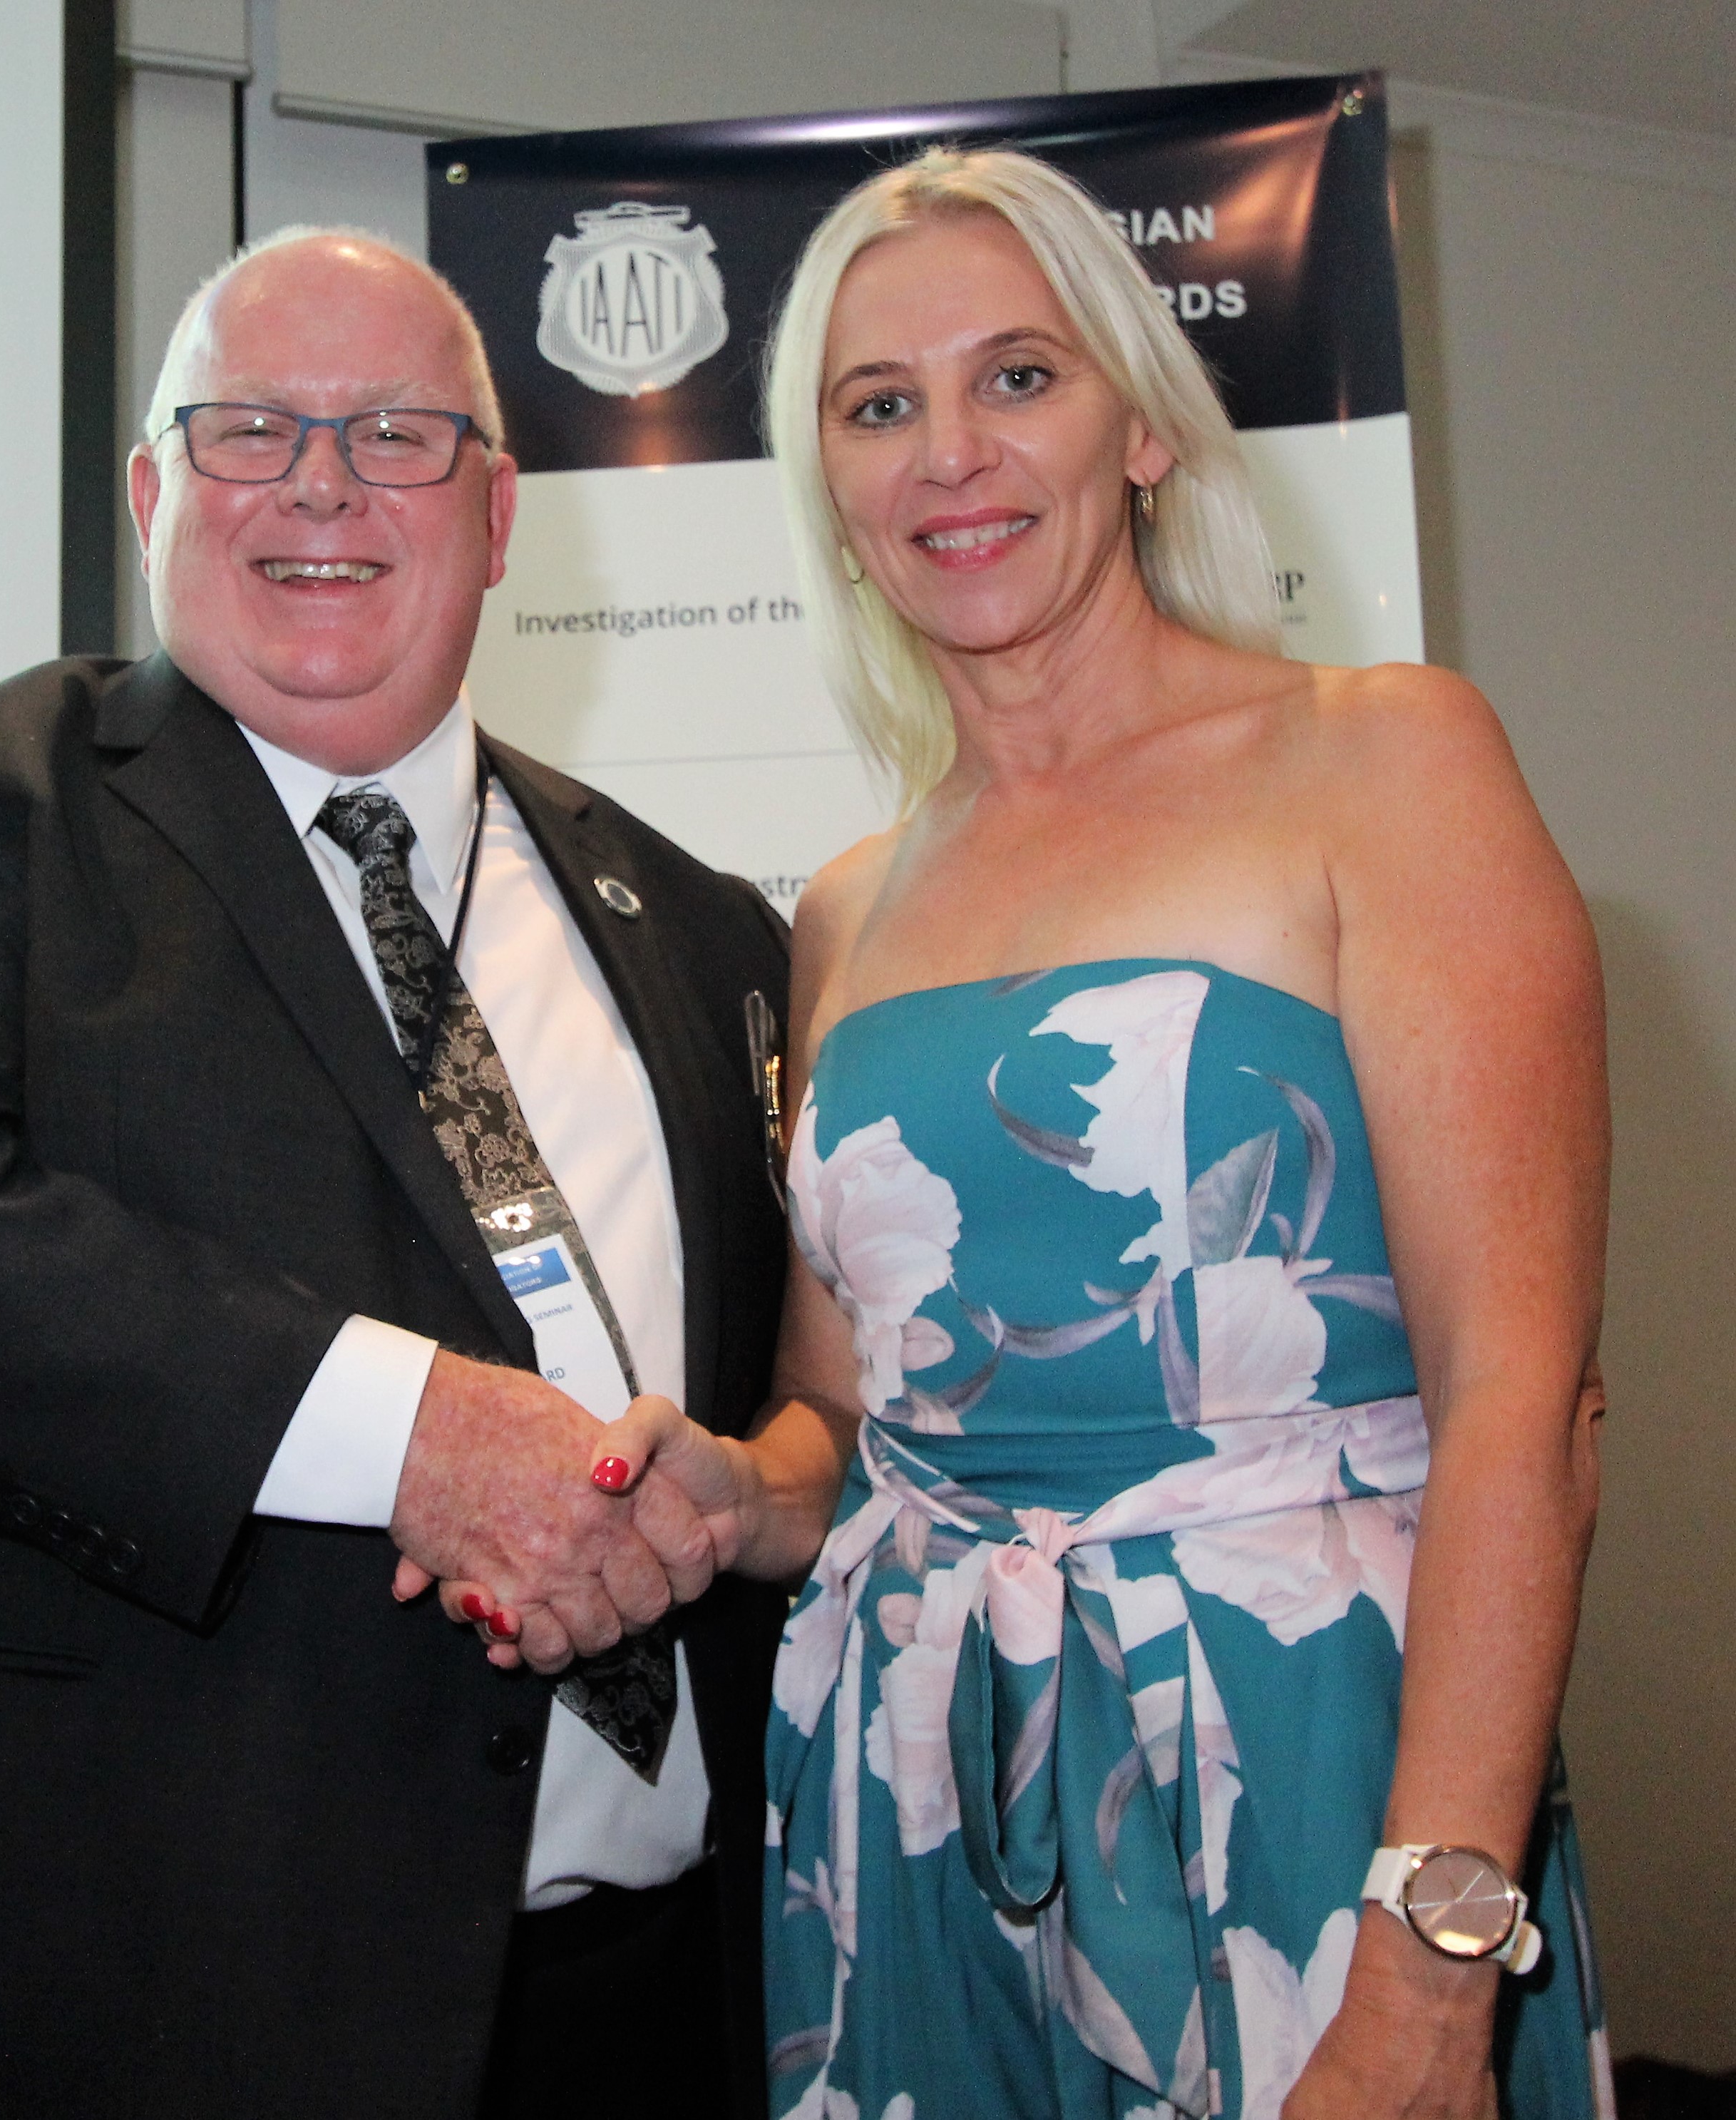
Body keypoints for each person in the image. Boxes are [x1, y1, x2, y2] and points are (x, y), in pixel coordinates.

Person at [446, 147, 1613, 2116]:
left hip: (1311, 1760)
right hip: (908, 1788)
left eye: (1018, 378)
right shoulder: (840, 909)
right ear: (825, 485)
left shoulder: (1383, 758)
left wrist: (1429, 1965)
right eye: (877, 406)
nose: (949, 456)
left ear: (1141, 424)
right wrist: (730, 1494)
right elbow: (851, 1418)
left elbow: (1527, 1406)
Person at [0, 227, 791, 2120]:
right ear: (149, 489)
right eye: (251, 427)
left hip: (646, 2004)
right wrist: (411, 1430)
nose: (322, 482)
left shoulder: (696, 925)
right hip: (107, 2004)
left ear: (499, 516)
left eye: (397, 434)